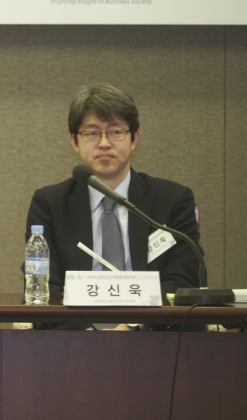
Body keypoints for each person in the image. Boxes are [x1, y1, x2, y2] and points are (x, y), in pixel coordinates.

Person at [25, 83, 200, 305]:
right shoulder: (50, 204)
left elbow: (183, 280)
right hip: (76, 326)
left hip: (150, 325)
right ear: (74, 141)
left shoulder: (173, 200)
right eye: (91, 133)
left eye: (116, 132)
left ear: (134, 138)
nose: (104, 143)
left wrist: (136, 322)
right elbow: (43, 284)